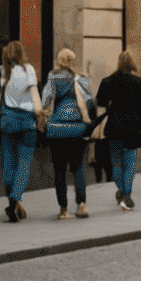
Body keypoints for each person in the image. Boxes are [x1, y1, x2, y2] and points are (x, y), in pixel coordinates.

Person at [0, 40, 42, 222]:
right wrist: (40, 114)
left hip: (8, 122)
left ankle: (13, 199)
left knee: (8, 164)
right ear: (21, 54)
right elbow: (35, 98)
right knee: (24, 162)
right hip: (27, 122)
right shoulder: (28, 70)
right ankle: (15, 197)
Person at [41, 48, 96, 219]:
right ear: (72, 61)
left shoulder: (53, 77)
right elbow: (89, 103)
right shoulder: (81, 79)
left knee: (59, 169)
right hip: (77, 129)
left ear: (59, 61)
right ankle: (82, 204)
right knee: (78, 166)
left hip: (57, 129)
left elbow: (45, 101)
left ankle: (63, 209)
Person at [95, 51, 141, 210]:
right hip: (133, 127)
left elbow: (101, 102)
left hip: (115, 127)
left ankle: (121, 188)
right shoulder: (140, 82)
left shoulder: (108, 81)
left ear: (119, 62)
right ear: (132, 63)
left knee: (116, 161)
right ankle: (127, 194)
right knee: (130, 161)